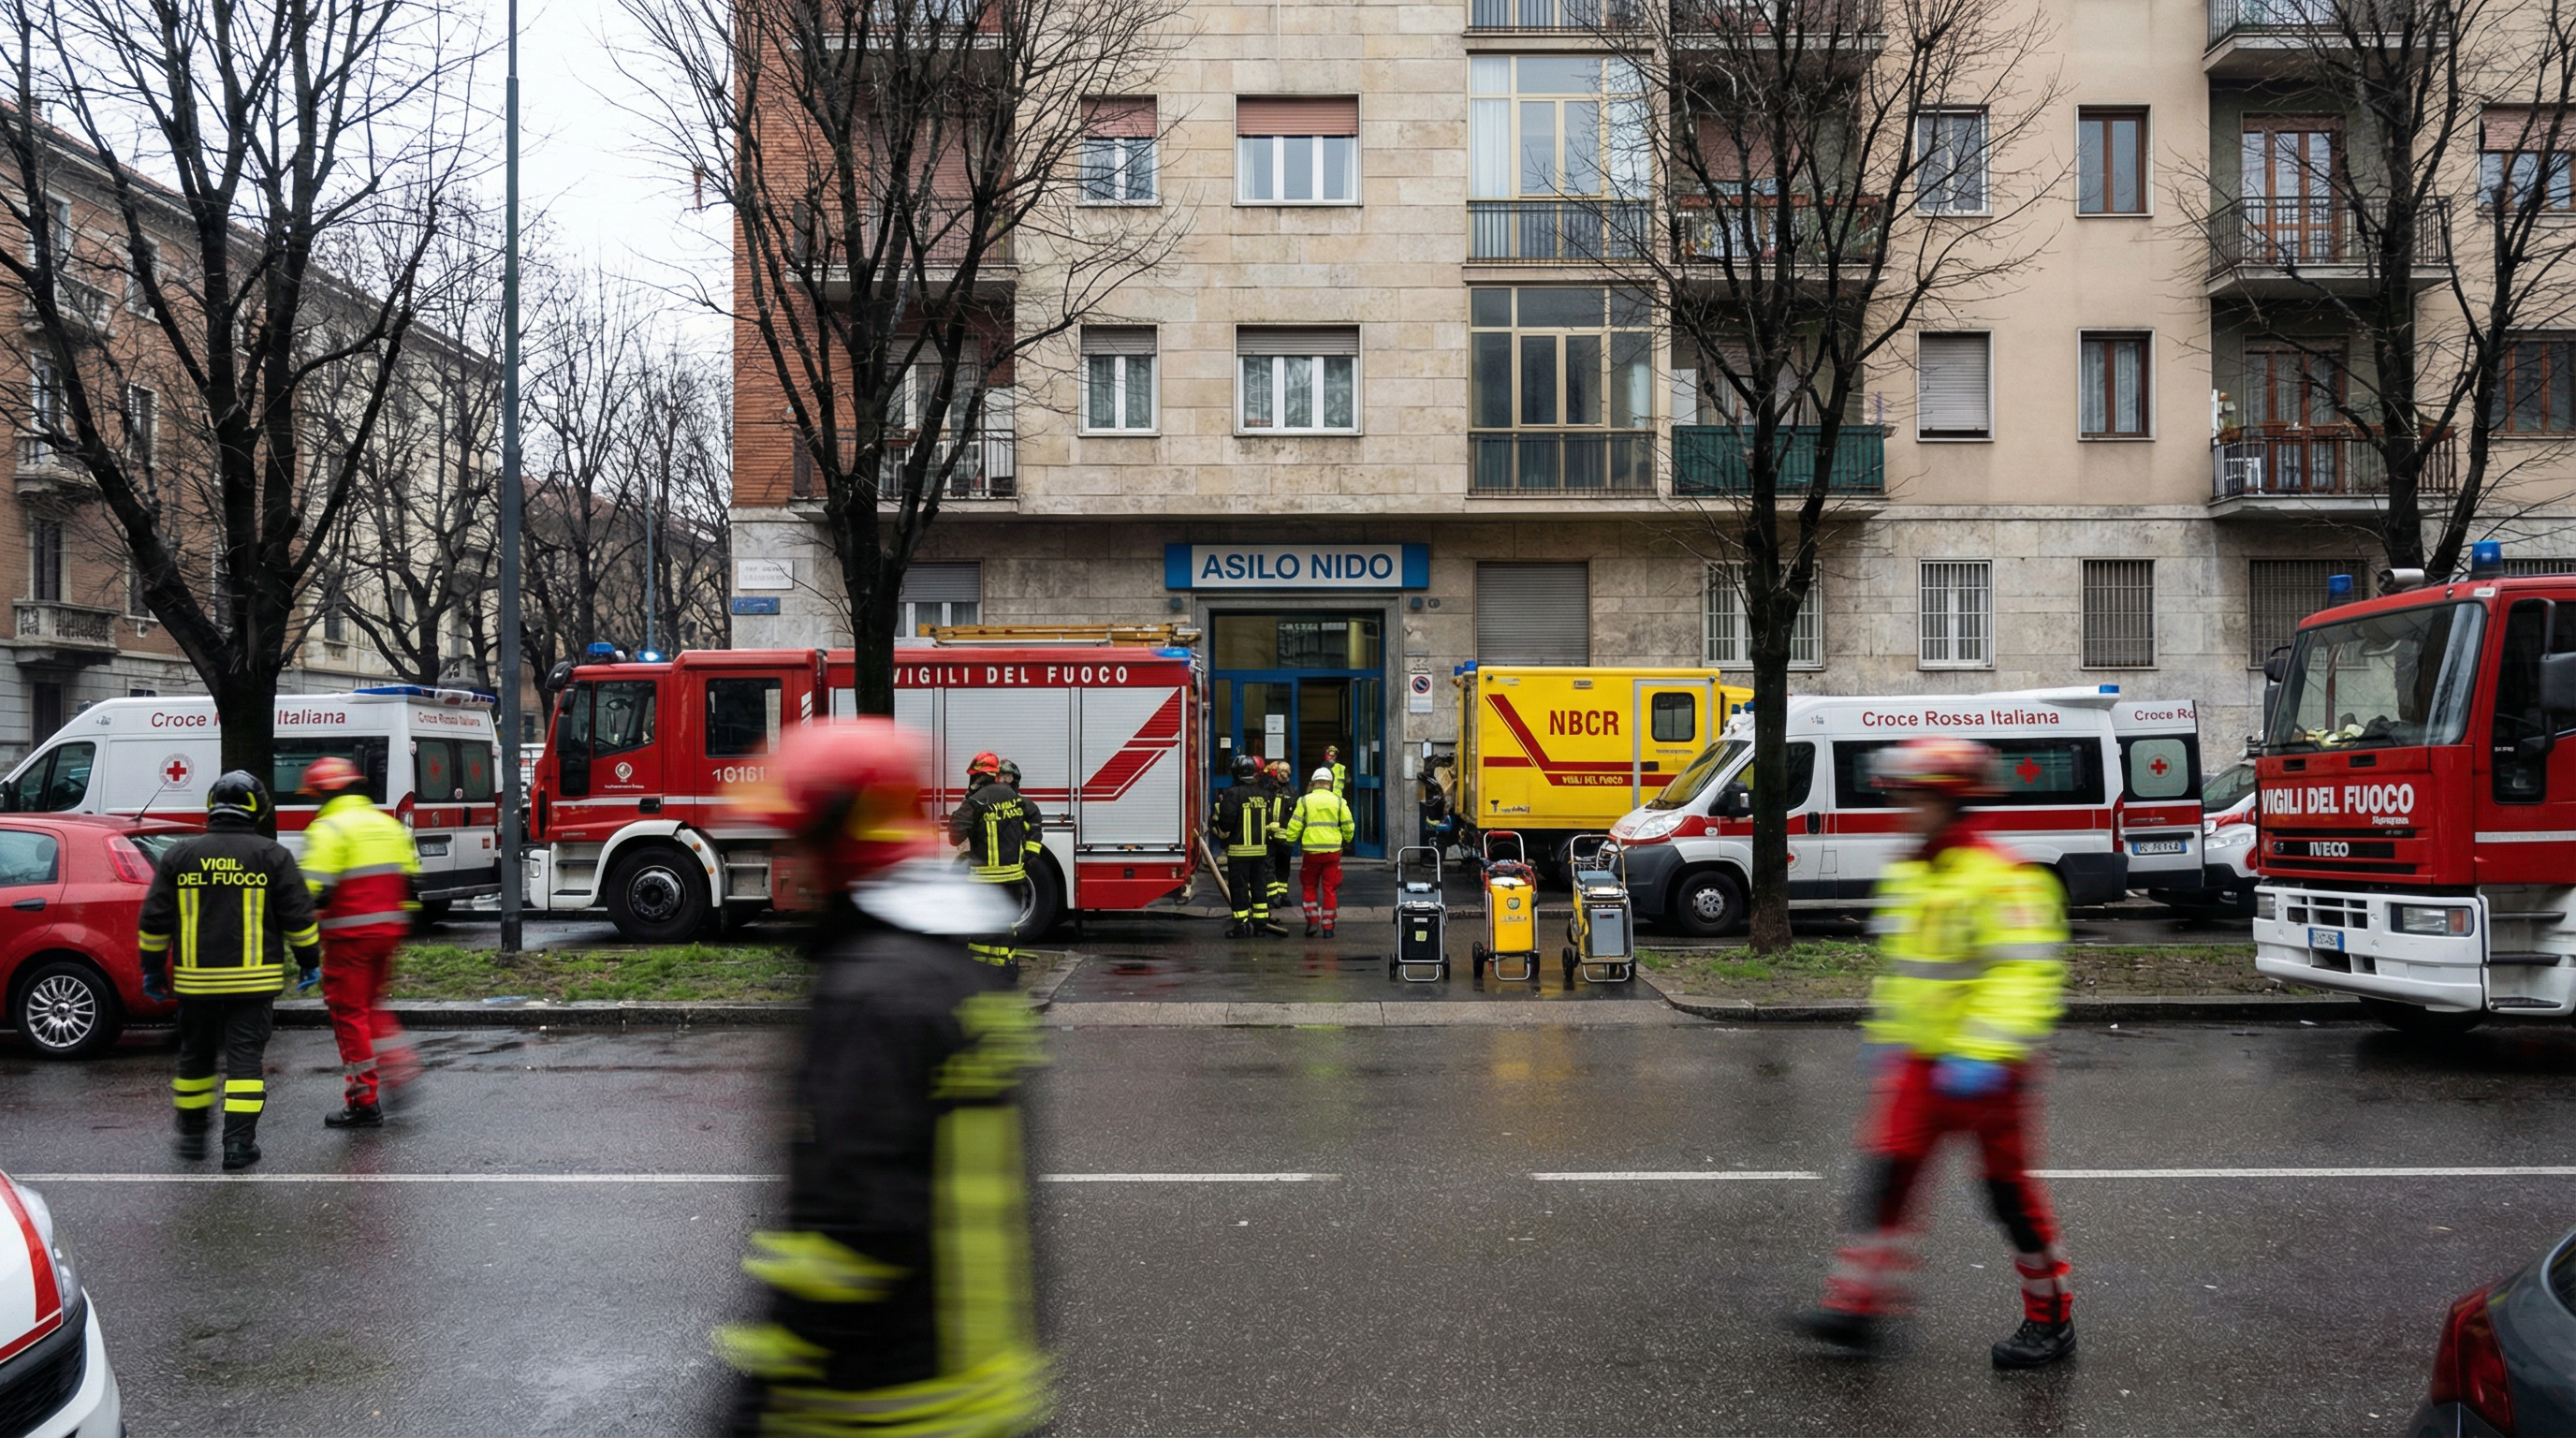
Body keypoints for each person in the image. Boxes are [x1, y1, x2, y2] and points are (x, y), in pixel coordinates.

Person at [715, 719, 1050, 1438]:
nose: (795, 866)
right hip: (989, 1385)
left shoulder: (874, 991)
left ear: (837, 840)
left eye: (801, 843)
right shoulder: (961, 981)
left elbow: (845, 1232)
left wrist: (752, 1407)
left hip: (892, 1404)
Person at [1797, 735, 2076, 1369]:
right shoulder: (1910, 873)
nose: (1903, 808)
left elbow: (2025, 977)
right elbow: (1905, 972)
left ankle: (2051, 1319)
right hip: (1921, 1065)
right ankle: (1857, 1307)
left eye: (1915, 798)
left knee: (2007, 1197)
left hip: (1989, 1070)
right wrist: (1888, 1036)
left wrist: (1980, 1052)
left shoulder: (2003, 879)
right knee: (1885, 1178)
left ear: (1950, 802)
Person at [138, 771, 324, 1171]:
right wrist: (309, 962)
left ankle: (191, 1138)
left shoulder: (179, 856)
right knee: (244, 1064)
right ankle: (238, 1146)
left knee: (195, 1059)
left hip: (195, 981)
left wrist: (152, 970)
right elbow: (299, 919)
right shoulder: (272, 855)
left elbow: (154, 921)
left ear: (211, 806)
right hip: (253, 983)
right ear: (257, 808)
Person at [297, 755, 422, 1129]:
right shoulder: (386, 825)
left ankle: (363, 1102)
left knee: (349, 1014)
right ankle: (401, 1067)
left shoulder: (328, 828)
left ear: (324, 792)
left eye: (315, 795)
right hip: (389, 933)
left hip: (348, 940)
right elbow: (411, 883)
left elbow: (312, 893)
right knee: (371, 1006)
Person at [947, 751, 1040, 975]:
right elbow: (1034, 817)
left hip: (986, 879)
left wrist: (965, 808)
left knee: (983, 927)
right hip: (1014, 877)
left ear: (978, 777)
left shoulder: (976, 801)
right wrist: (1029, 854)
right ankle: (1008, 968)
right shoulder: (1015, 797)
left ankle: (983, 973)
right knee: (1006, 925)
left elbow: (954, 836)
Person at [1211, 756, 1287, 938]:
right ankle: (1260, 925)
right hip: (1260, 851)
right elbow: (1269, 822)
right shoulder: (1263, 794)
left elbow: (1226, 823)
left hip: (1239, 852)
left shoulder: (1232, 794)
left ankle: (1241, 926)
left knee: (1239, 889)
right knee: (1259, 887)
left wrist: (1218, 828)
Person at [1281, 766, 1356, 938]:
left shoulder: (1305, 801)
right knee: (1329, 889)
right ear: (1330, 783)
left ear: (1314, 783)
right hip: (1332, 852)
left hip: (1311, 852)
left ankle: (1312, 920)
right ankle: (1328, 927)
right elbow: (1349, 825)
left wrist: (1289, 841)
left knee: (1309, 886)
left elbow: (1295, 824)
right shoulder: (1338, 801)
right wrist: (1347, 839)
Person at [1263, 760, 1297, 917]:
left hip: (1285, 837)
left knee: (1284, 867)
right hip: (1269, 836)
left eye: (1287, 771)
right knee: (1269, 866)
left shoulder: (1293, 791)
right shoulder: (1267, 790)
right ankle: (1273, 896)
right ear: (1275, 773)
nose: (1285, 774)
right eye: (1281, 771)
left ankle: (1282, 894)